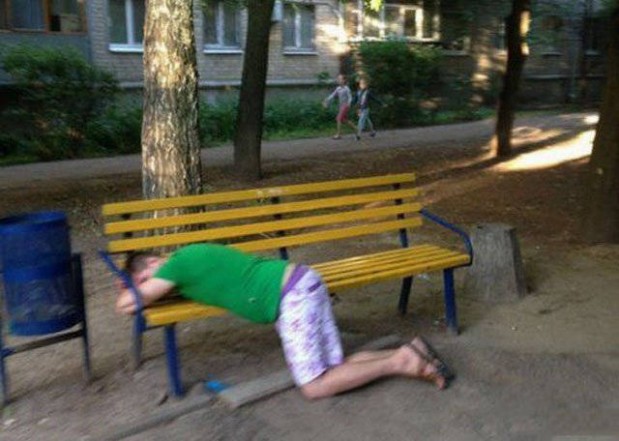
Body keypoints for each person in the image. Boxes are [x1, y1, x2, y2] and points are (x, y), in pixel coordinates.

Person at [115, 243, 454, 400]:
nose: (149, 286)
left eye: (144, 279)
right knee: (333, 366)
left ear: (153, 263)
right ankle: (414, 350)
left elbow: (127, 304)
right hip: (303, 283)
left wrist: (131, 288)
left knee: (314, 386)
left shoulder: (175, 265)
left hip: (292, 297)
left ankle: (401, 361)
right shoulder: (187, 260)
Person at [322, 74, 357, 140]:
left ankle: (338, 134)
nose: (338, 80)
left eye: (340, 79)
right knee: (344, 120)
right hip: (341, 106)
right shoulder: (338, 88)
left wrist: (349, 104)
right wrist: (326, 99)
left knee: (338, 118)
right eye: (338, 79)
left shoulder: (347, 88)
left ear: (344, 80)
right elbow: (332, 95)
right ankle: (356, 129)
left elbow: (350, 97)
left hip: (345, 105)